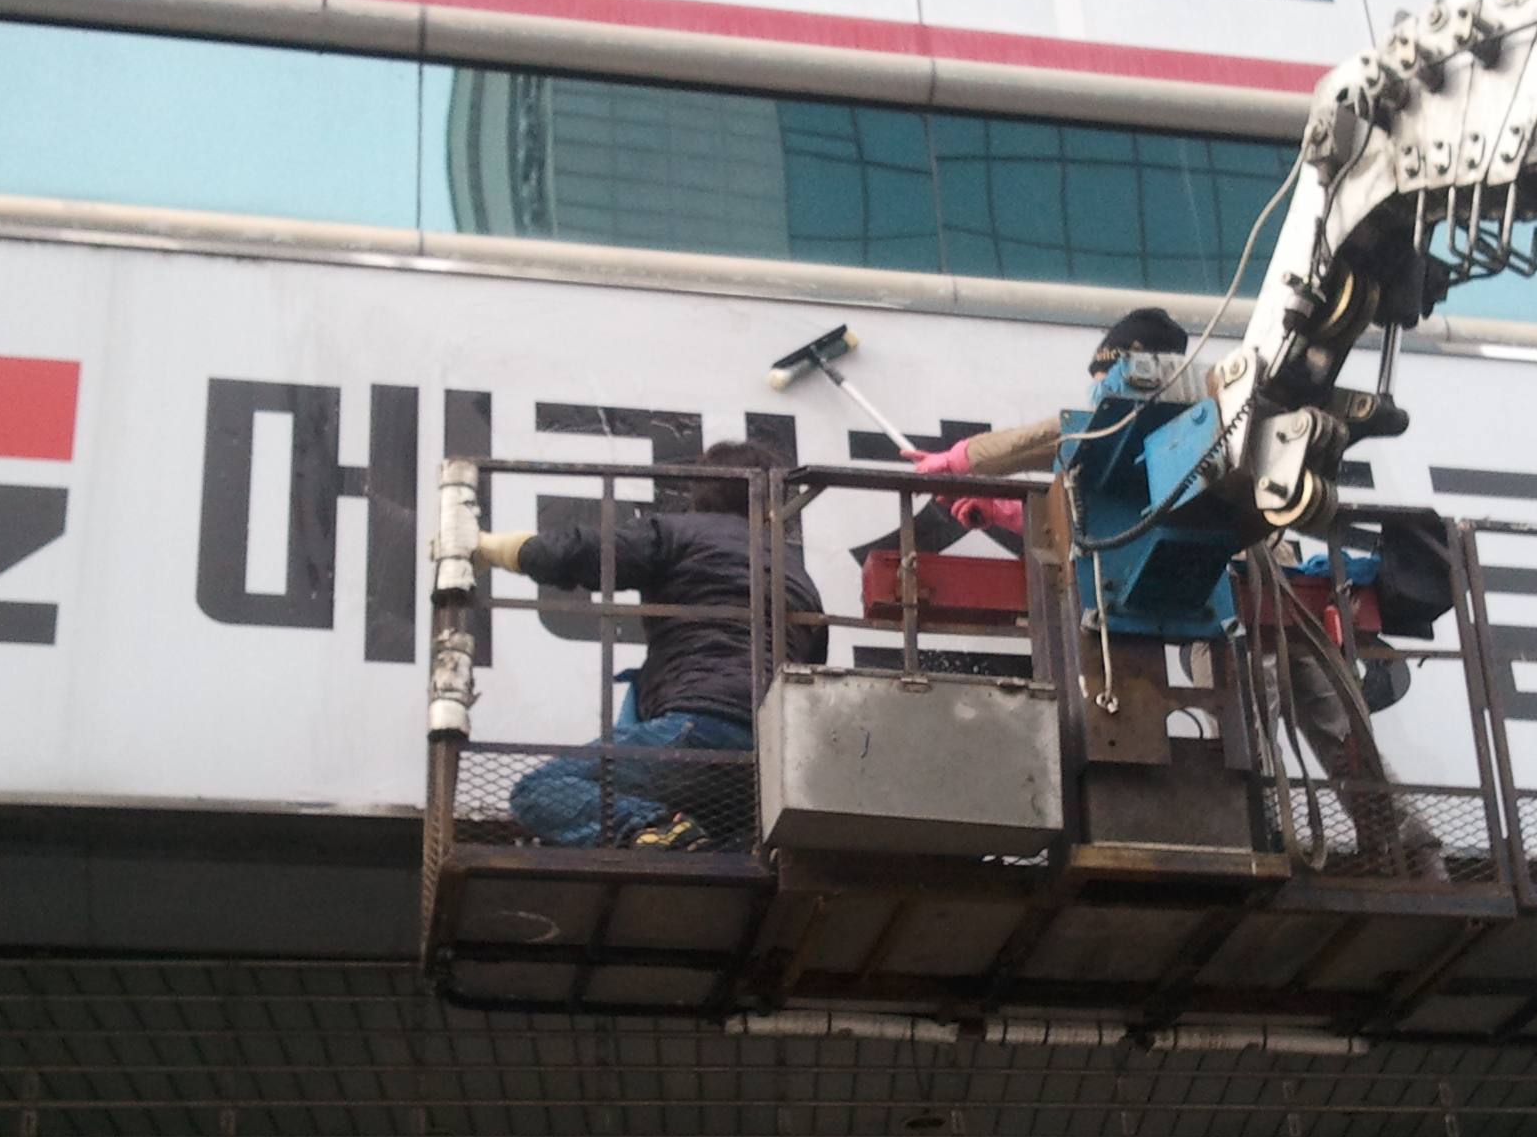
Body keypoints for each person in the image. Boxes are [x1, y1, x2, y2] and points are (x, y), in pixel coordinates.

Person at [471, 440, 825, 852]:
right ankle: (688, 843)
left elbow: (585, 553)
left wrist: (494, 549)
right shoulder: (801, 581)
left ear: (700, 496)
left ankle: (654, 828)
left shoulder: (681, 533)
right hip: (770, 757)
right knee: (724, 847)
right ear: (771, 508)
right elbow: (809, 679)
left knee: (542, 789)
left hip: (699, 730)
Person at [902, 307, 1194, 527]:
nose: (1098, 395)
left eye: (1107, 381)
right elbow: (1081, 524)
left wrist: (956, 461)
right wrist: (1002, 510)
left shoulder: (1175, 431)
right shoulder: (1118, 461)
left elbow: (1065, 435)